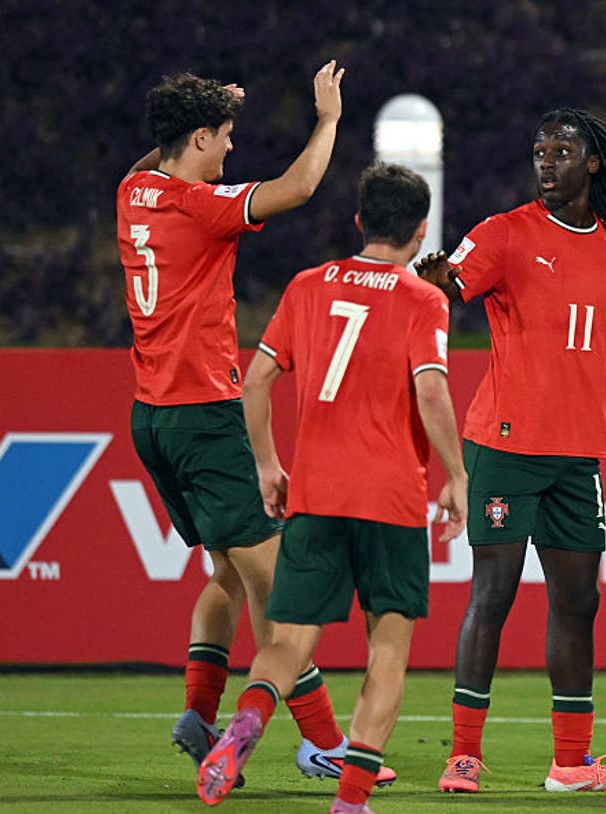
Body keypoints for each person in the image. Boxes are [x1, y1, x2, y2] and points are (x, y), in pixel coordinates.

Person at [117, 62, 383, 787]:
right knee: (280, 585)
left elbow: (150, 163)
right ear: (199, 139)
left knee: (227, 574)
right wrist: (328, 119)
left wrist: (200, 111)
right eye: (224, 135)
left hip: (152, 418)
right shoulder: (202, 207)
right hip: (204, 418)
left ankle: (199, 714)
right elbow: (297, 188)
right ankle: (321, 740)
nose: (232, 148)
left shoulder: (134, 192)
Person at [195, 162, 468, 813]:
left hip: (315, 496)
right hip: (390, 499)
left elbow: (255, 382)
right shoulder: (422, 299)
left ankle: (248, 720)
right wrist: (457, 474)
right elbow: (431, 389)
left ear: (359, 220)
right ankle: (350, 801)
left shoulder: (307, 286)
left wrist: (267, 467)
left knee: (288, 641)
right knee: (388, 649)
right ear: (421, 229)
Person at [414, 108, 606, 795]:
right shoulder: (504, 232)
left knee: (579, 601)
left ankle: (572, 764)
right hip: (506, 444)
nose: (547, 161)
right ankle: (463, 755)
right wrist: (438, 278)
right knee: (493, 592)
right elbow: (450, 286)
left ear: (592, 163)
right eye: (540, 151)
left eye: (562, 151)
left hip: (577, 455)